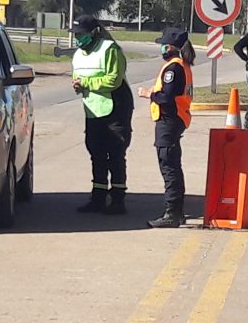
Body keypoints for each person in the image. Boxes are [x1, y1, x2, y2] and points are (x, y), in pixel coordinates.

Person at [70, 15, 134, 215]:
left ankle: (117, 200)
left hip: (116, 107)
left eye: (81, 34)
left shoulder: (110, 50)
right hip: (93, 109)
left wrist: (87, 84)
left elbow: (114, 80)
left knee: (115, 154)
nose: (78, 38)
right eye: (76, 35)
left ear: (94, 32)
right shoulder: (78, 54)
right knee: (96, 153)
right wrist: (77, 85)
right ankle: (97, 197)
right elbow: (77, 77)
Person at [138, 27, 196, 228]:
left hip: (169, 120)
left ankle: (172, 212)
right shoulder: (182, 66)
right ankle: (176, 212)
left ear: (170, 47)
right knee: (172, 166)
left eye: (163, 45)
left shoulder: (174, 68)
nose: (161, 48)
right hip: (175, 120)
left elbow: (166, 96)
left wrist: (148, 94)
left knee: (169, 167)